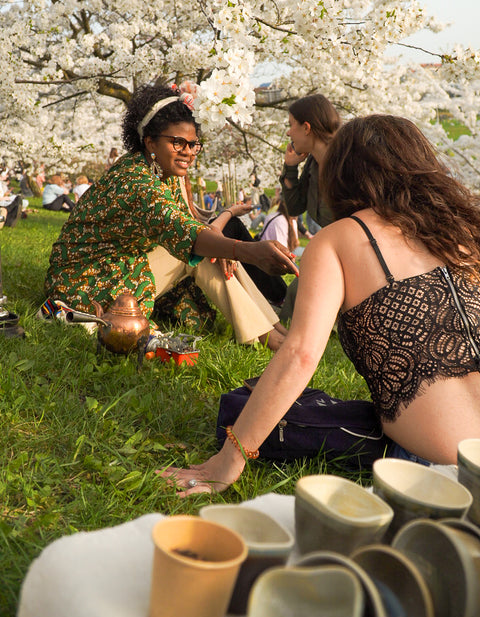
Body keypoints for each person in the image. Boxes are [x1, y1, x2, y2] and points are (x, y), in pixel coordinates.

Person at [162, 114, 480, 496]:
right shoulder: (465, 231)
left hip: (445, 473)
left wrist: (228, 461)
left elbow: (300, 354)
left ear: (343, 173)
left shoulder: (339, 239)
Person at [44, 84, 297, 349]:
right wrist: (248, 251)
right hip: (88, 280)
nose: (188, 152)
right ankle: (270, 338)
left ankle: (274, 327)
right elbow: (185, 232)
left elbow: (191, 225)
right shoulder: (136, 182)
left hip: (123, 266)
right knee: (205, 254)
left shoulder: (165, 173)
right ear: (150, 141)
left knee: (213, 252)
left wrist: (229, 243)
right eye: (178, 142)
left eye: (193, 144)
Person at [278, 94, 341, 320]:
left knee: (303, 288)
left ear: (306, 127)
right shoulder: (314, 162)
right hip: (332, 249)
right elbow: (294, 207)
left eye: (291, 125)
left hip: (354, 252)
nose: (288, 133)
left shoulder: (350, 161)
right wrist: (290, 168)